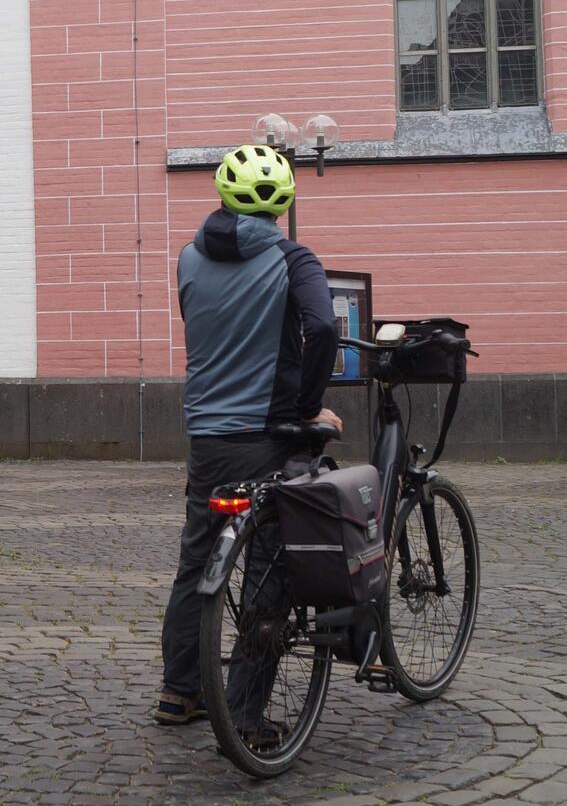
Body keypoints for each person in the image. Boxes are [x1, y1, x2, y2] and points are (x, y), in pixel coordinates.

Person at [155, 143, 340, 729]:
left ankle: (179, 693)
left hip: (207, 437)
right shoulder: (294, 260)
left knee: (197, 565)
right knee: (268, 571)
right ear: (283, 204)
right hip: (266, 435)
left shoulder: (187, 258)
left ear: (221, 194)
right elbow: (323, 328)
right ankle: (244, 715)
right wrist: (308, 407)